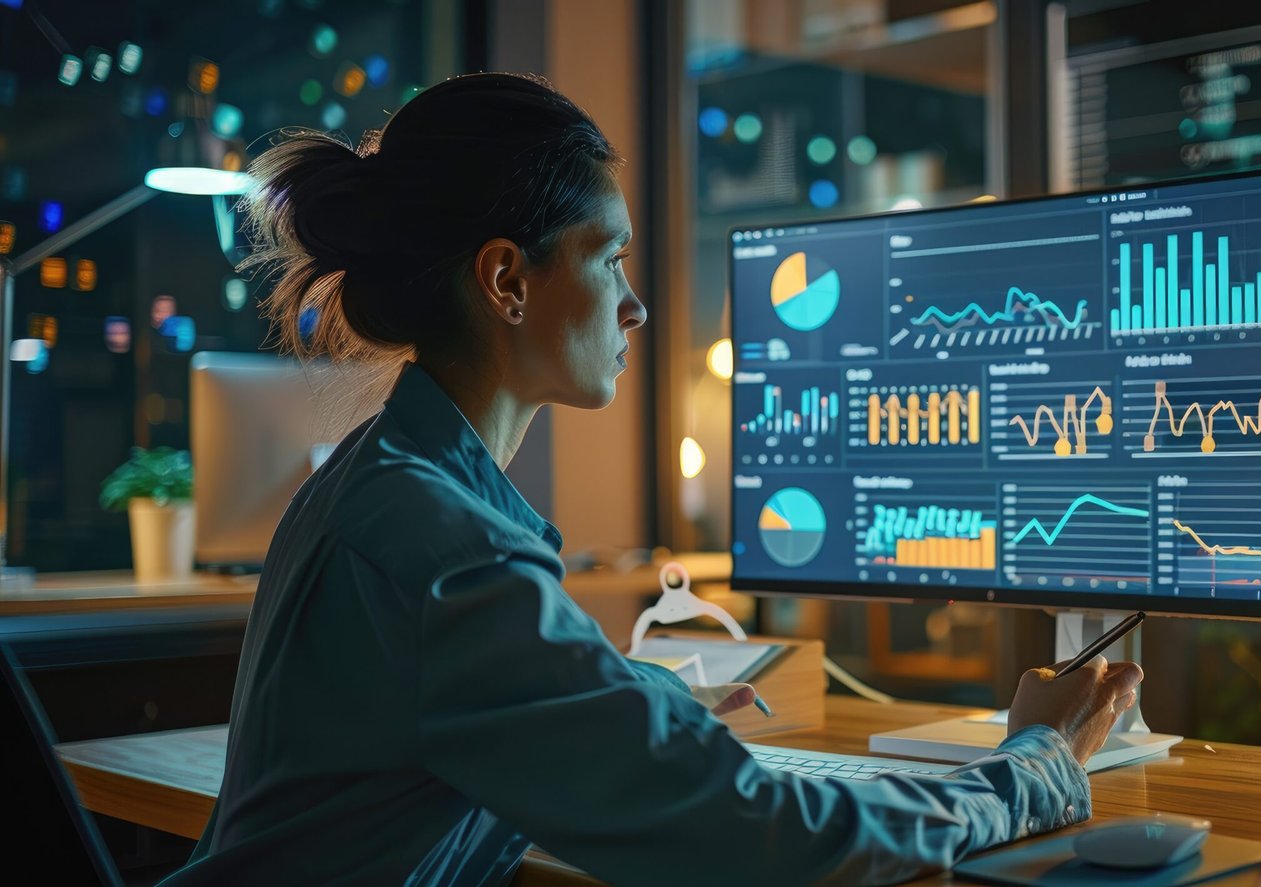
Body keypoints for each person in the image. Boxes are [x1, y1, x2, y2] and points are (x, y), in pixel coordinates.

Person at [158, 72, 1145, 887]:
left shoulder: (383, 486)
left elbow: (452, 706)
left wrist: (629, 703)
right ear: (506, 280)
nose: (634, 306)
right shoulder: (441, 546)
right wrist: (1034, 765)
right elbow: (767, 837)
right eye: (611, 256)